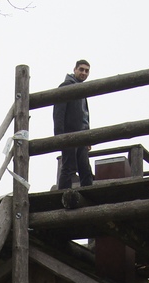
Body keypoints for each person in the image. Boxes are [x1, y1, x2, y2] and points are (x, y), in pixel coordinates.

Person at [53, 60, 93, 189]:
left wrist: (88, 137)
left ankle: (90, 196)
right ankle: (61, 197)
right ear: (74, 69)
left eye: (86, 71)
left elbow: (84, 116)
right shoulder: (65, 86)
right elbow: (58, 113)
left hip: (82, 136)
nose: (84, 73)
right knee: (69, 167)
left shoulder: (82, 90)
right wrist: (59, 137)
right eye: (81, 69)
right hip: (68, 135)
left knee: (85, 169)